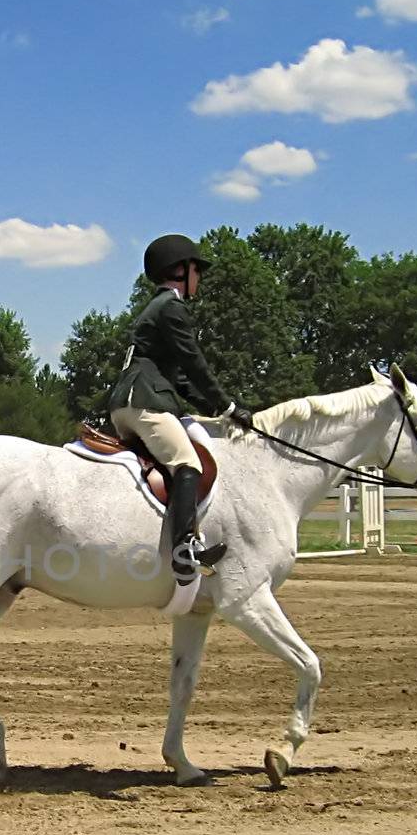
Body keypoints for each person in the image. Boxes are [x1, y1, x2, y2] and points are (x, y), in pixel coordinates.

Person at [107, 233, 253, 585]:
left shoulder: (155, 309)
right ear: (180, 270)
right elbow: (194, 363)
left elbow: (181, 382)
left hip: (131, 402)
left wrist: (220, 410)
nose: (199, 278)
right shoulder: (171, 308)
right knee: (187, 462)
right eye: (196, 270)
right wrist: (229, 403)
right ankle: (183, 550)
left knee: (196, 436)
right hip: (145, 403)